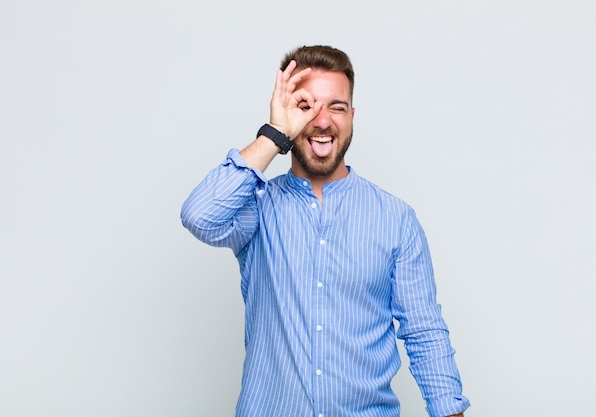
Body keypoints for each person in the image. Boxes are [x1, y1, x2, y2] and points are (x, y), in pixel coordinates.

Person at [181, 45, 470, 417]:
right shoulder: (257, 209)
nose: (322, 121)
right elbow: (199, 216)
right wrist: (275, 134)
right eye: (306, 106)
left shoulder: (395, 219)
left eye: (336, 107)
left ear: (352, 116)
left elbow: (424, 331)